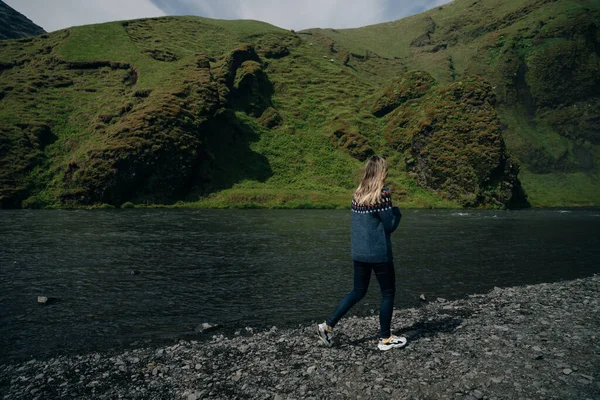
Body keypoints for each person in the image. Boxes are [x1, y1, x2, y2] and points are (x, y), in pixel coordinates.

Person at [317, 155, 406, 351]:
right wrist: (397, 212)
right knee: (388, 293)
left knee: (358, 291)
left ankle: (328, 326)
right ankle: (385, 339)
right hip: (379, 254)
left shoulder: (357, 194)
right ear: (382, 172)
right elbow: (390, 225)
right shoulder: (382, 195)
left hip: (359, 253)